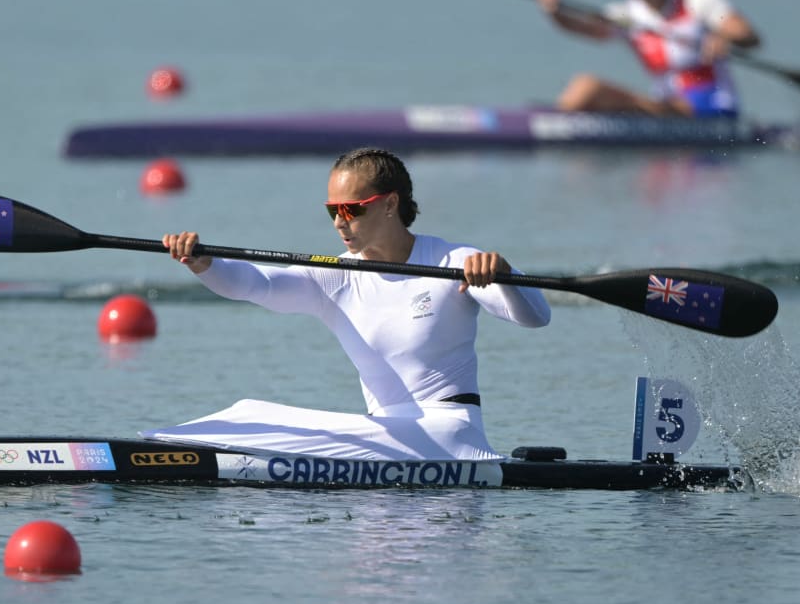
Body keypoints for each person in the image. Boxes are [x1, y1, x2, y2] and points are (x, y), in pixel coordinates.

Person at [156, 147, 551, 463]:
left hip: (450, 435)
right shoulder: (336, 276)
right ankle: (165, 446)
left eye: (351, 209)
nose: (339, 223)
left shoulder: (453, 262)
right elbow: (256, 284)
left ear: (390, 204)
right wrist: (203, 263)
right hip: (385, 438)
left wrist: (504, 275)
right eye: (332, 210)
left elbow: (536, 317)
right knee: (247, 413)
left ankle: (166, 452)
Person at [533, 0, 761, 117]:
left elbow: (745, 32)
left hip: (710, 106)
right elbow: (585, 28)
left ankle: (551, 122)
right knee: (584, 91)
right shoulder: (627, 15)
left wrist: (725, 37)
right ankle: (557, 120)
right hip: (664, 105)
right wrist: (554, 12)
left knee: (589, 86)